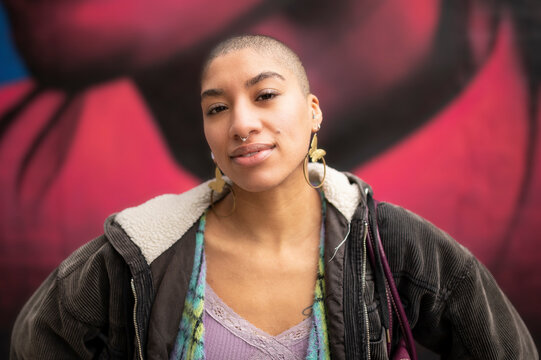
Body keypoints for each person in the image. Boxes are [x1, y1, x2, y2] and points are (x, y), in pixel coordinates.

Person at [10, 35, 537, 360]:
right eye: (217, 109)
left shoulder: (388, 244)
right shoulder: (143, 248)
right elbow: (39, 342)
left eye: (265, 95)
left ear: (312, 111)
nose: (241, 123)